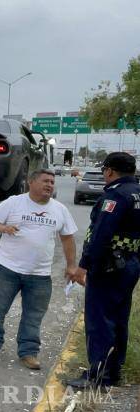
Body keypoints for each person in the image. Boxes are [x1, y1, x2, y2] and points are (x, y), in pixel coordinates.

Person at [0, 170, 78, 369]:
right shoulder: (14, 202)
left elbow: (67, 238)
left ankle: (28, 352)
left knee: (33, 316)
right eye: (45, 181)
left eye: (52, 182)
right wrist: (3, 228)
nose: (50, 185)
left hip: (40, 275)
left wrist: (71, 265)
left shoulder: (59, 209)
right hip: (7, 269)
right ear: (31, 182)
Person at [67, 152, 140, 389]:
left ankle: (99, 375)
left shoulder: (116, 195)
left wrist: (83, 265)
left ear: (109, 171)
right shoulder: (137, 193)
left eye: (103, 171)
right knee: (119, 318)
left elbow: (101, 235)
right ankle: (113, 371)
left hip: (109, 266)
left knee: (100, 319)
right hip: (130, 263)